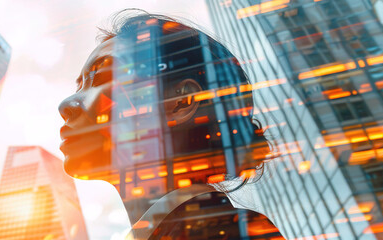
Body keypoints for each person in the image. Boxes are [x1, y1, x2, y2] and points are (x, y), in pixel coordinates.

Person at [58, 9, 281, 239]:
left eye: (105, 76)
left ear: (182, 101)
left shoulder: (233, 232)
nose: (66, 104)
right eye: (80, 86)